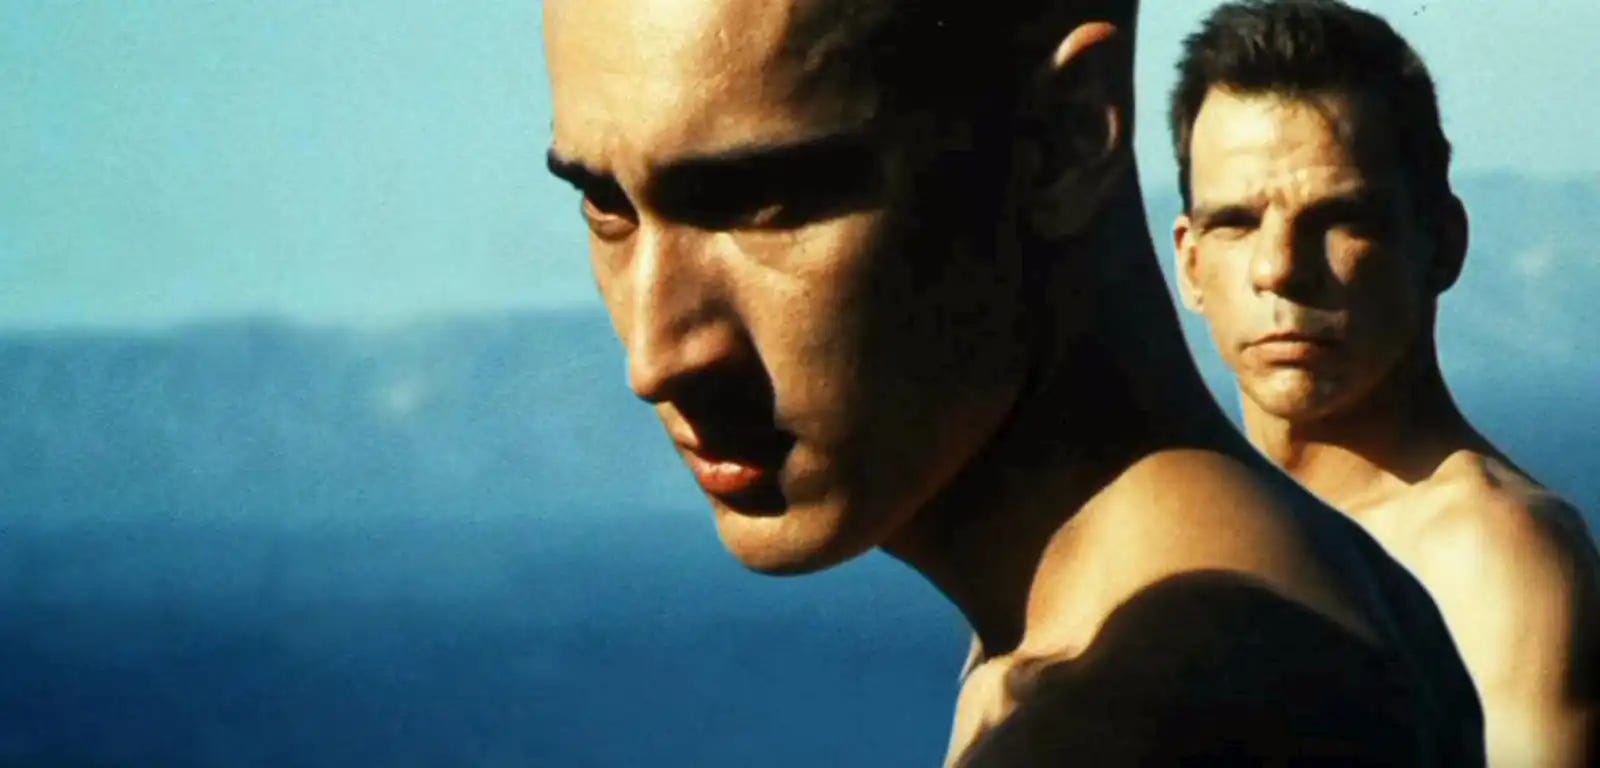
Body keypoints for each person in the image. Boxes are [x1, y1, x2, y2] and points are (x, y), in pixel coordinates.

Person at [543, 0, 1482, 763]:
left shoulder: (1139, 714)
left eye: (761, 201)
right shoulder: (1305, 597)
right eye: (605, 205)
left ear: (1065, 138)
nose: (656, 356)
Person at [1168, 1, 1599, 764]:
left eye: (1340, 218)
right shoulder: (1159, 531)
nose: (1278, 268)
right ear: (1191, 262)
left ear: (1442, 244)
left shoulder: (1494, 560)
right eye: (1235, 222)